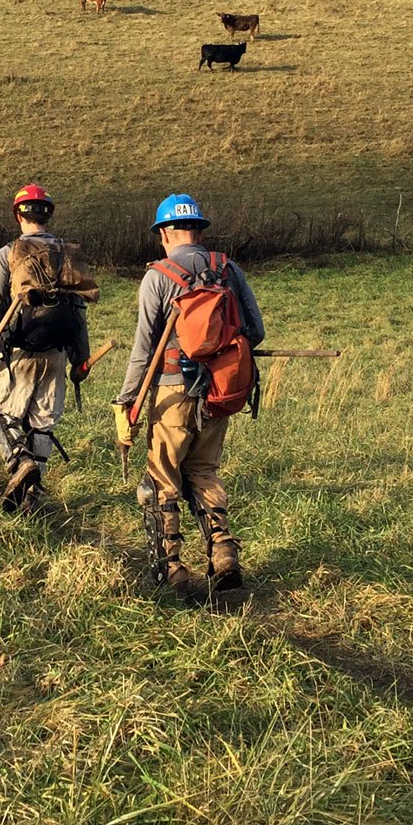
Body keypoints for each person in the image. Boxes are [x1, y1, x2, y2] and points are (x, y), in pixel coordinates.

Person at [111, 194, 265, 593]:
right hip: (221, 389)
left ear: (165, 232)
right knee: (203, 470)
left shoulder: (157, 276)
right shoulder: (227, 268)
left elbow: (144, 349)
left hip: (171, 391)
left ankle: (172, 568)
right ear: (198, 229)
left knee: (163, 476)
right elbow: (256, 331)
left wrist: (127, 400)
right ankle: (223, 551)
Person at [0, 184, 94, 511]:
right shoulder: (66, 253)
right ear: (48, 215)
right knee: (42, 425)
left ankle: (18, 461)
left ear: (17, 215)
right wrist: (81, 357)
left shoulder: (9, 252)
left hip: (21, 352)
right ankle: (30, 500)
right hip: (59, 352)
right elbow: (79, 312)